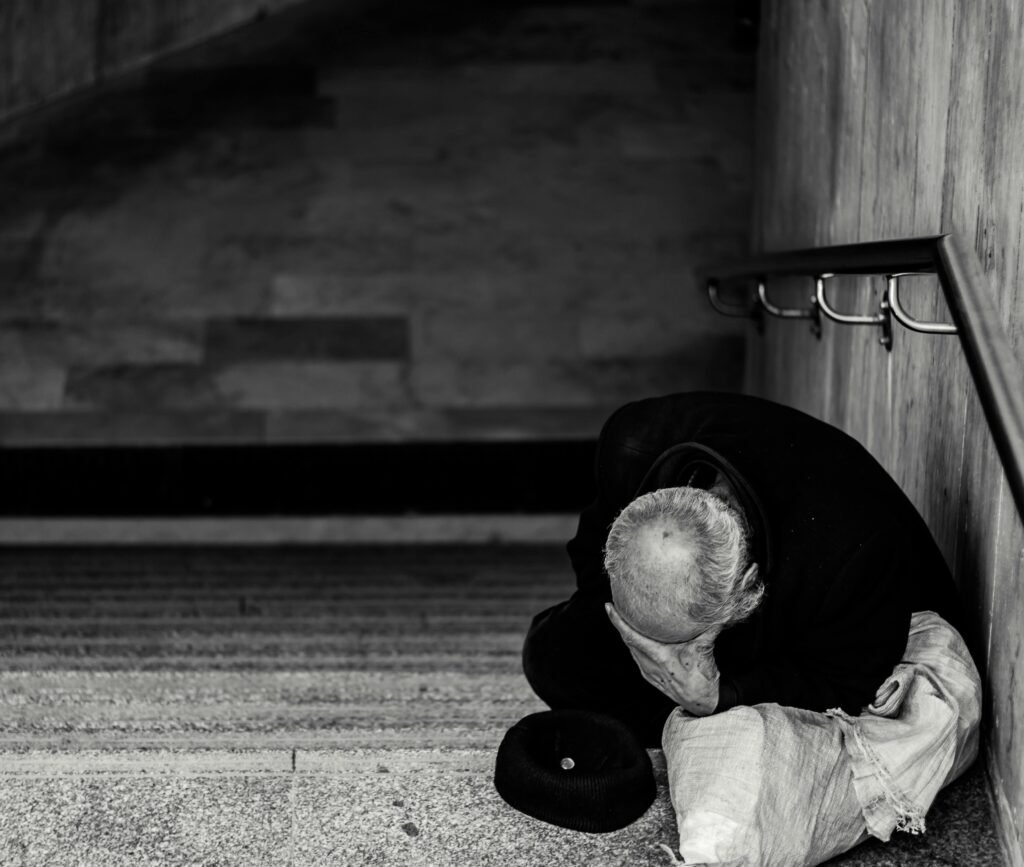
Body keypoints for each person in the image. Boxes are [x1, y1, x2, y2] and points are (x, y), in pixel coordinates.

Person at [522, 391, 964, 746]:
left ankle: (696, 712)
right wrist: (639, 640)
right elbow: (587, 554)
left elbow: (845, 683)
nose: (660, 656)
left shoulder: (856, 551)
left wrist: (720, 694)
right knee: (554, 656)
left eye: (676, 644)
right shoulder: (632, 443)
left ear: (747, 589)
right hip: (718, 597)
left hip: (823, 630)